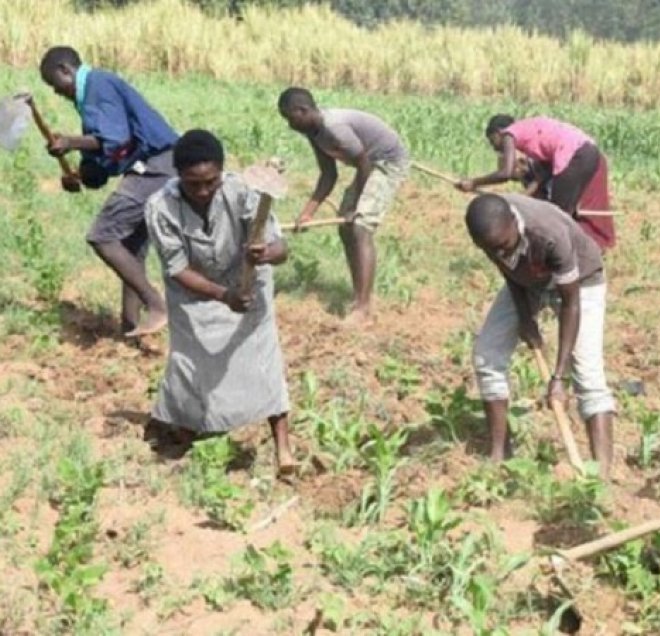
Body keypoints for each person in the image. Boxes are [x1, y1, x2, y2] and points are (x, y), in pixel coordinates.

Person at [144, 129, 295, 473]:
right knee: (192, 364)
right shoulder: (160, 207)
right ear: (177, 175)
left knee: (264, 363)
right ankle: (189, 430)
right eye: (192, 183)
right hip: (193, 296)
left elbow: (282, 249)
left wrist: (265, 252)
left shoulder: (243, 192)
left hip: (248, 288)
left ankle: (283, 449)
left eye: (210, 182)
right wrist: (223, 296)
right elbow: (177, 268)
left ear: (221, 173)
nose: (202, 191)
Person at [465, 192, 616, 477]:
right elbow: (509, 272)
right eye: (490, 249)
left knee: (588, 374)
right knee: (487, 355)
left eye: (503, 246)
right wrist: (525, 319)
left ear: (514, 222)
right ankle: (500, 455)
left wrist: (558, 377)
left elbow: (571, 303)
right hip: (529, 282)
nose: (498, 254)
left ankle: (602, 474)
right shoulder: (490, 233)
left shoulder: (548, 233)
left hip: (581, 281)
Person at [39, 45, 178, 337]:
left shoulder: (97, 85)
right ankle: (130, 329)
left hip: (155, 166)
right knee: (127, 250)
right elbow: (105, 158)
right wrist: (79, 176)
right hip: (156, 167)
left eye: (55, 84)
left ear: (66, 70)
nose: (56, 92)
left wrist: (70, 143)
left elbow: (114, 138)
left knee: (102, 235)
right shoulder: (91, 95)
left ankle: (157, 305)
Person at [277, 87, 410, 324]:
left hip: (385, 163)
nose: (289, 125)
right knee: (344, 228)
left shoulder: (334, 128)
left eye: (290, 117)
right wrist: (307, 213)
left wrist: (355, 205)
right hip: (367, 166)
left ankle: (363, 308)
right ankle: (359, 294)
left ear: (303, 110)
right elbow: (328, 174)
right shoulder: (314, 132)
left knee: (360, 226)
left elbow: (364, 164)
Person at [457, 115, 615, 251]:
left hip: (576, 155)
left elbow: (505, 173)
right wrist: (521, 199)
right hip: (589, 152)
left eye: (493, 141)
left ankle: (569, 255)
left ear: (499, 132)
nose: (494, 147)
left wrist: (474, 183)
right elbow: (542, 176)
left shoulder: (509, 134)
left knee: (557, 216)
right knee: (562, 211)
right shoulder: (531, 134)